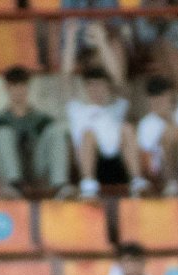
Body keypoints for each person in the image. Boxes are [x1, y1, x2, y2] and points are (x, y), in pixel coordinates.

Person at [62, 25, 148, 199]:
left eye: (101, 85)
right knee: (88, 134)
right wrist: (71, 39)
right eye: (92, 86)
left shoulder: (116, 107)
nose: (97, 90)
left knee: (127, 129)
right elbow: (66, 77)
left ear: (107, 87)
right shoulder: (77, 109)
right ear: (86, 88)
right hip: (91, 164)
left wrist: (102, 43)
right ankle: (88, 186)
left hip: (117, 163)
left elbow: (118, 78)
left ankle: (138, 182)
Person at [0, 66, 73, 198]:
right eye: (14, 86)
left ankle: (60, 185)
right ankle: (14, 185)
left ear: (28, 87)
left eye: (22, 85)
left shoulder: (43, 120)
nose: (18, 91)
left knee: (57, 130)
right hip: (8, 175)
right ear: (6, 88)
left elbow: (58, 148)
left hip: (37, 169)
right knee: (2, 133)